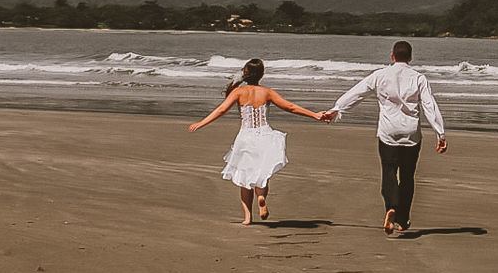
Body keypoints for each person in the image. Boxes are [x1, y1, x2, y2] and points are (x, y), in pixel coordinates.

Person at [325, 40, 447, 235]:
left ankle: (391, 206)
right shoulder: (418, 78)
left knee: (389, 172)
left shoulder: (380, 75)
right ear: (410, 57)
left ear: (392, 56)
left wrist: (337, 108)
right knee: (407, 176)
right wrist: (440, 132)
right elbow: (429, 105)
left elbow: (357, 93)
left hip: (388, 132)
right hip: (411, 134)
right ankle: (402, 218)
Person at [189, 58, 329, 225]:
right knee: (262, 174)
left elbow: (221, 110)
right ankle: (261, 196)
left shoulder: (238, 93)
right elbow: (290, 107)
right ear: (262, 75)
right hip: (265, 135)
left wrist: (201, 123)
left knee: (244, 177)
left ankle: (248, 218)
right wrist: (314, 115)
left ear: (245, 73)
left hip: (245, 137)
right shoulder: (267, 92)